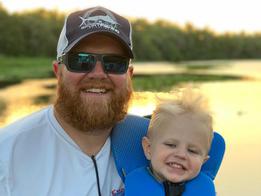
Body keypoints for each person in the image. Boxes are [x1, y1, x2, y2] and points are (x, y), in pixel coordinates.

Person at [0, 6, 219, 196]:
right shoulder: (7, 155)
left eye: (114, 63)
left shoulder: (158, 145)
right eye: (81, 61)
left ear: (129, 76)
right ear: (58, 72)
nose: (98, 73)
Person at [125, 89, 214, 196]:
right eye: (171, 145)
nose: (181, 155)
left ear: (203, 161)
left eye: (192, 151)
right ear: (148, 148)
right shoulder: (135, 184)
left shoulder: (203, 189)